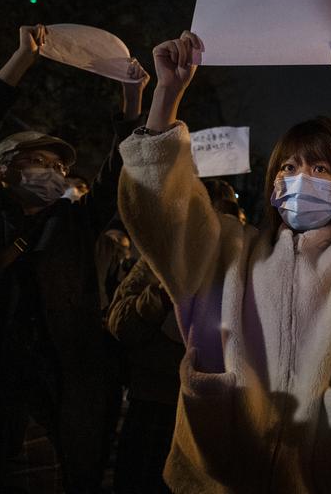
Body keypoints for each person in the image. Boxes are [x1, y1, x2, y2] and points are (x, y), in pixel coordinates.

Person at [116, 31, 331, 492]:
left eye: (319, 169)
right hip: (226, 474)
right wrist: (167, 94)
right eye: (288, 168)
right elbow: (160, 212)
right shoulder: (229, 249)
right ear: (272, 186)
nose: (299, 179)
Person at [0, 25, 148, 492]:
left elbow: (119, 177)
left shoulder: (71, 224)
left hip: (46, 412)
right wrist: (22, 59)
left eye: (61, 167)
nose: (54, 173)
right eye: (39, 161)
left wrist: (132, 102)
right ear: (1, 170)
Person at [108, 178, 243, 494]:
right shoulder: (159, 259)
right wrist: (162, 291)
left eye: (226, 218)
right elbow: (120, 325)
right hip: (156, 404)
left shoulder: (243, 269)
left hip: (210, 411)